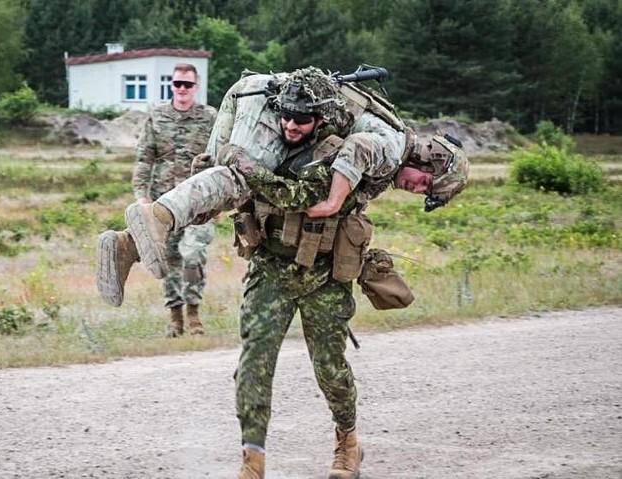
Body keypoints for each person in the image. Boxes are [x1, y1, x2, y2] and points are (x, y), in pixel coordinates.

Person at [98, 67, 468, 478]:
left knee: (331, 368)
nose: (415, 190)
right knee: (255, 364)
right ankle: (252, 463)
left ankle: (348, 443)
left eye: (422, 193)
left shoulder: (363, 151)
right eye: (423, 185)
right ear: (428, 161)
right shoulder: (383, 142)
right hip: (272, 264)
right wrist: (331, 200)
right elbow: (348, 157)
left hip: (325, 273)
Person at [110, 63, 217, 336]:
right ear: (171, 85)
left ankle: (194, 313)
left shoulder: (209, 118)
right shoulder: (157, 117)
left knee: (193, 255)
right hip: (163, 204)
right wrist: (141, 196)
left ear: (196, 87)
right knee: (167, 259)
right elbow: (144, 159)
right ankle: (175, 317)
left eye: (188, 85)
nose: (182, 89)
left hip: (198, 205)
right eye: (178, 84)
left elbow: (220, 158)